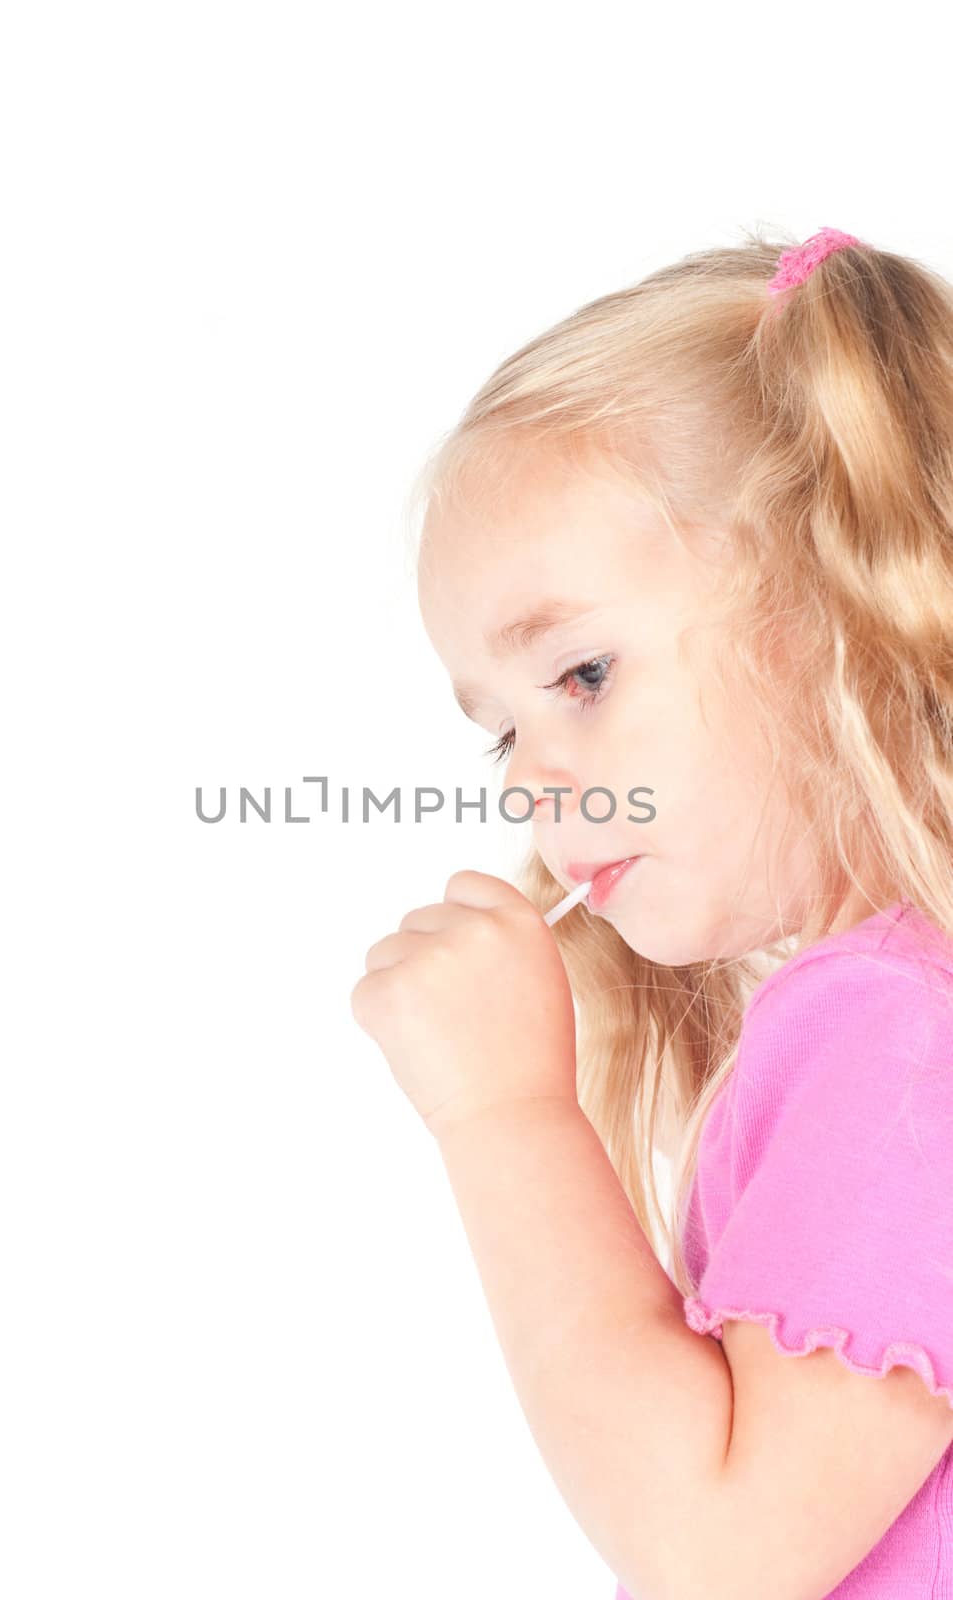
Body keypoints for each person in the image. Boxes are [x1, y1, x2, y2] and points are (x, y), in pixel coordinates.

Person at [349, 226, 953, 1598]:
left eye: (578, 675)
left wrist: (506, 1116)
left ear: (822, 604)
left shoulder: (899, 1038)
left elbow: (717, 1555)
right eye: (499, 736)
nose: (536, 780)